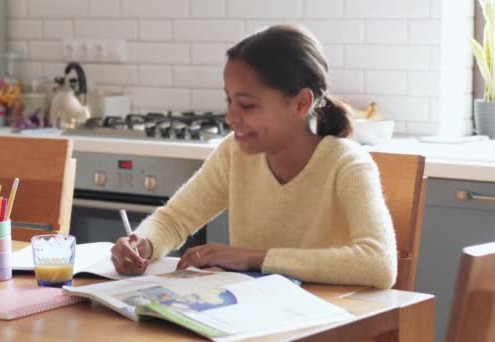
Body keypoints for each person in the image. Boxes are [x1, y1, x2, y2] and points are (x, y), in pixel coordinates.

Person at [111, 25, 397, 289]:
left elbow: (379, 263)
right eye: (229, 100)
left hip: (329, 323)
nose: (231, 117)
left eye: (247, 105)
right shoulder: (234, 153)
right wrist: (144, 242)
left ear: (301, 103)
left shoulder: (347, 164)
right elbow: (173, 220)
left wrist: (254, 258)